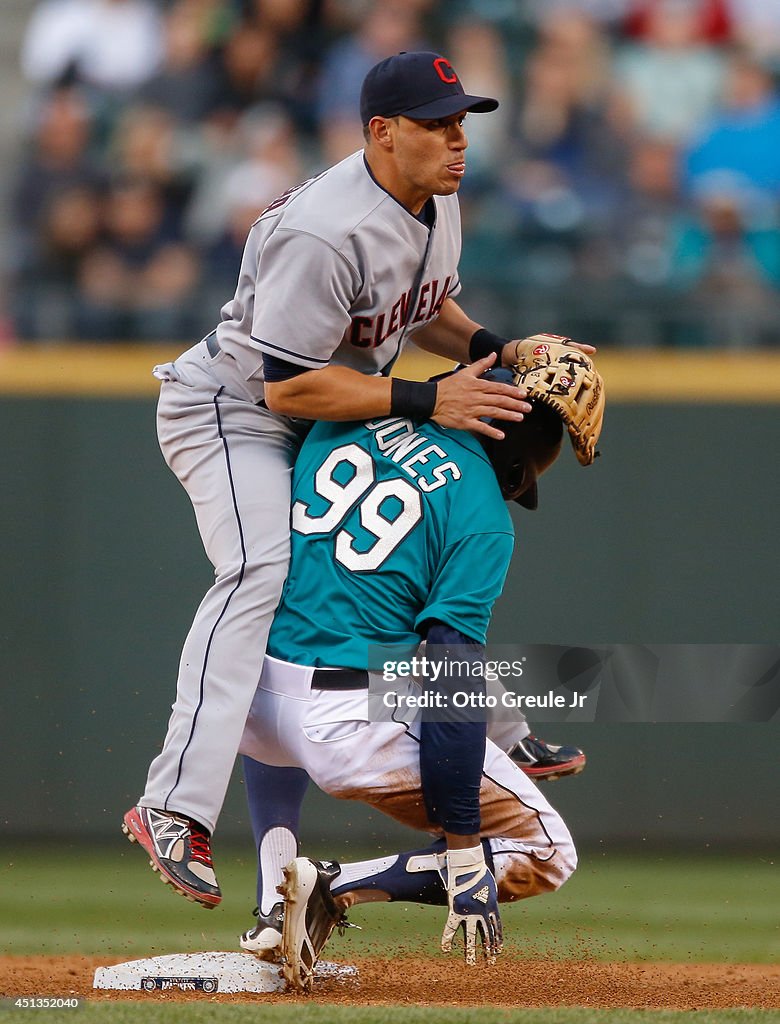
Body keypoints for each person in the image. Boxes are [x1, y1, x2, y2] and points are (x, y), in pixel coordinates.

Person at [122, 50, 592, 909]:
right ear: (381, 132)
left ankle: (501, 733)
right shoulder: (323, 230)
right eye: (437, 125)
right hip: (234, 412)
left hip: (332, 406)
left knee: (425, 554)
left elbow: (428, 311)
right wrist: (427, 399)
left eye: (462, 123)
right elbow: (287, 384)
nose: (458, 141)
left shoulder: (435, 200)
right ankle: (173, 803)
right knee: (261, 571)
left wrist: (500, 347)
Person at [237, 366, 588, 988]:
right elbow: (449, 671)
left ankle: (273, 904)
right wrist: (460, 845)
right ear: (514, 461)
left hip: (249, 697)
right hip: (347, 720)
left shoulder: (342, 412)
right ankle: (332, 887)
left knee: (349, 648)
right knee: (548, 852)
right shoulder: (482, 512)